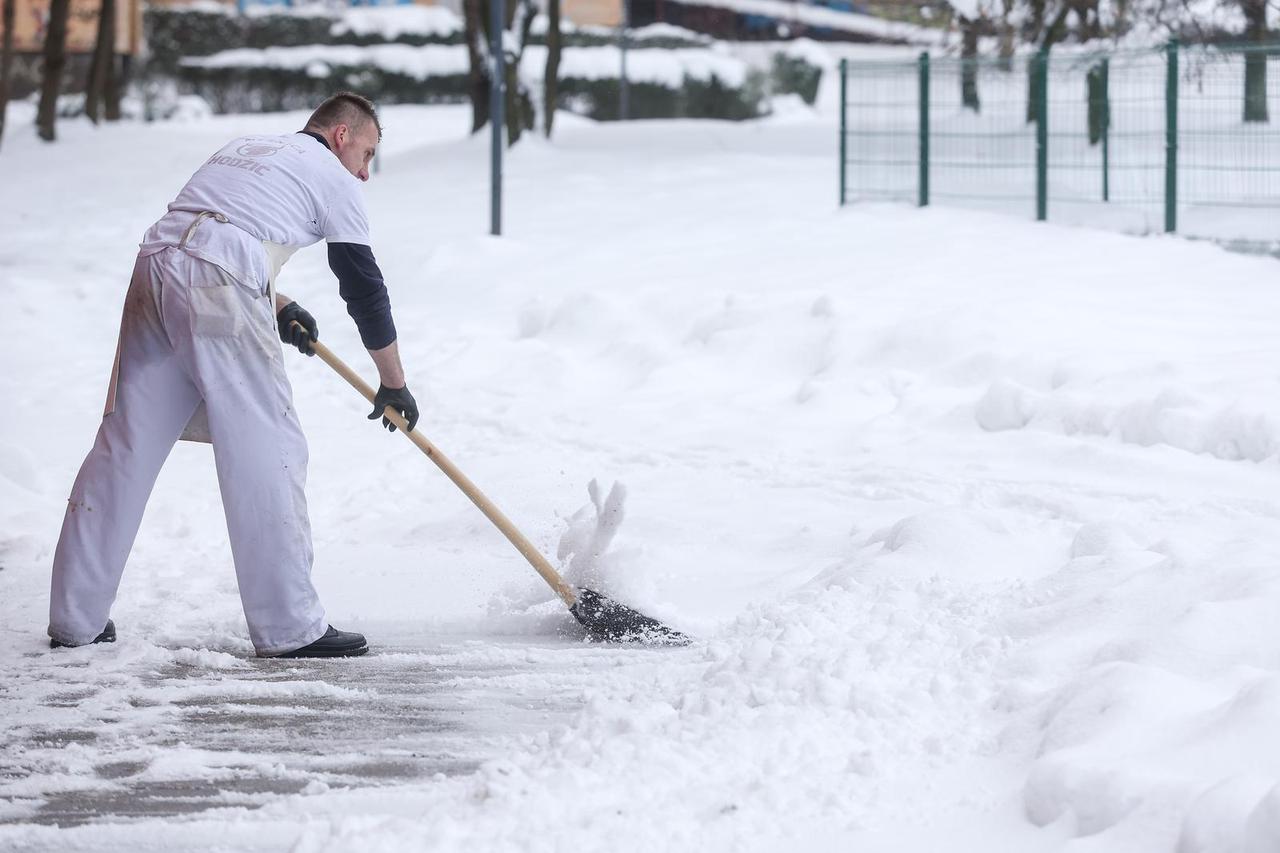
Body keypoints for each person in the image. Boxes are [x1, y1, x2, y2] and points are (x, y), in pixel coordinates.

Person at [47, 92, 417, 658]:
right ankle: (291, 627)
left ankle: (75, 619)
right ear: (342, 136)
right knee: (268, 445)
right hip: (216, 280)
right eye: (366, 154)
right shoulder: (333, 177)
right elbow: (362, 286)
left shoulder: (247, 147)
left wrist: (278, 301)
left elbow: (210, 229)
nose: (364, 174)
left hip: (155, 266)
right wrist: (393, 381)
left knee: (124, 446)